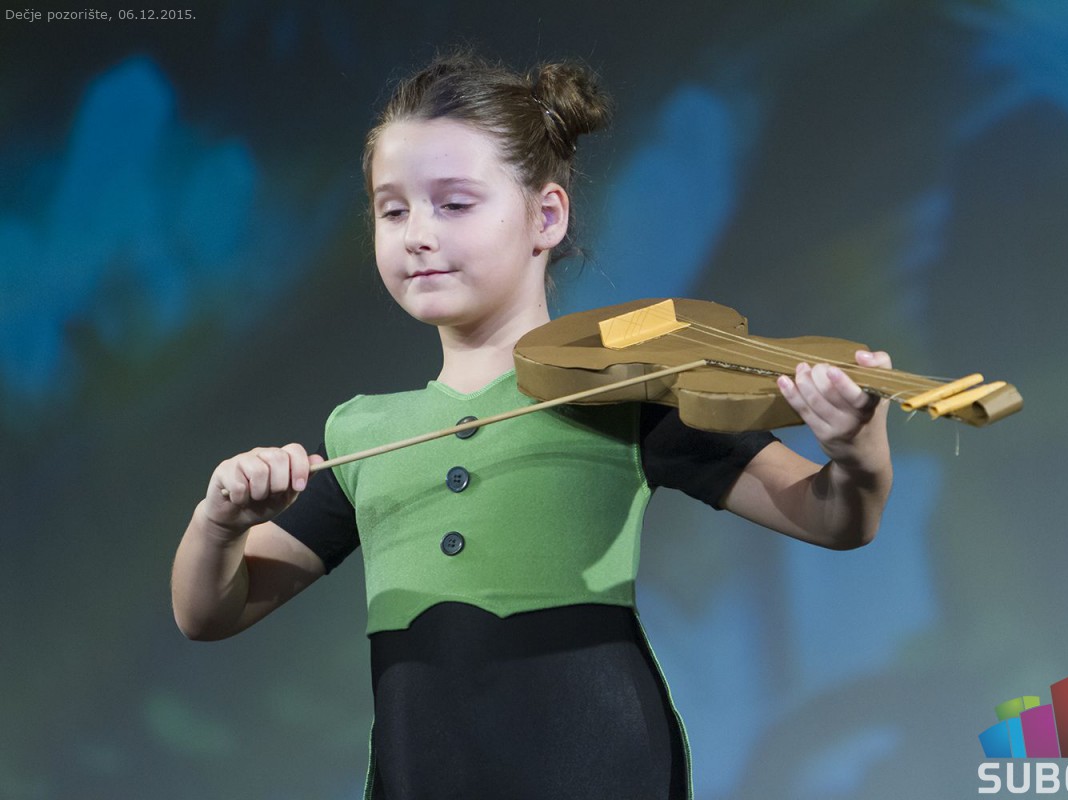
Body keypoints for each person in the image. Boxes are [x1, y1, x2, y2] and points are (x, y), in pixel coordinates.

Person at [171, 51, 893, 800]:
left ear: (546, 216)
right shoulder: (362, 432)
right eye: (393, 209)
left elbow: (835, 517)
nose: (417, 234)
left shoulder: (623, 390)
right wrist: (219, 523)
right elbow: (208, 612)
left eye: (454, 204)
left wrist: (857, 449)